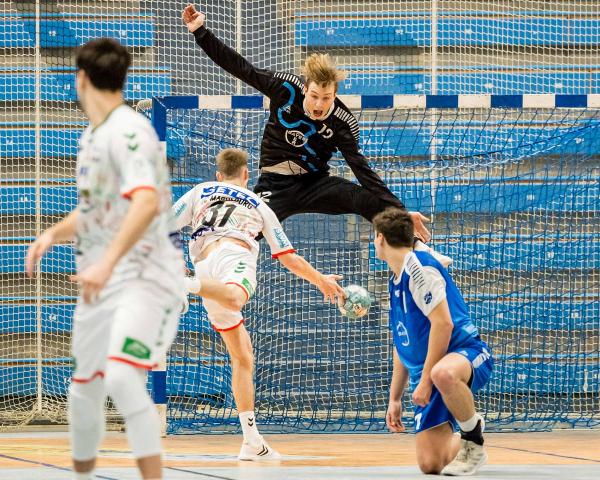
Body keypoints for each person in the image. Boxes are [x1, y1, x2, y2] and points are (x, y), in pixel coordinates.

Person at [181, 4, 454, 267]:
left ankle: (420, 250)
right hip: (274, 185)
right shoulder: (285, 88)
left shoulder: (343, 122)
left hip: (315, 184)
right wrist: (200, 31)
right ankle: (203, 264)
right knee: (247, 225)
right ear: (306, 89)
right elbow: (241, 68)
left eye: (326, 98)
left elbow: (363, 171)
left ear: (335, 94)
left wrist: (400, 210)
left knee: (368, 201)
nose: (319, 105)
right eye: (314, 96)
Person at [25, 38, 186, 480]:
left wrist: (105, 263)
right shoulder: (93, 135)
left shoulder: (129, 130)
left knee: (120, 377)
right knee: (83, 392)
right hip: (103, 281)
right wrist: (52, 235)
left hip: (145, 280)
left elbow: (146, 201)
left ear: (80, 79)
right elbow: (95, 210)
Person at [173, 147, 344, 461]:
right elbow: (287, 257)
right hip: (233, 257)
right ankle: (181, 286)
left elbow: (163, 225)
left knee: (242, 354)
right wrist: (321, 280)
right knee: (237, 296)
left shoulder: (200, 191)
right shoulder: (258, 202)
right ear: (246, 175)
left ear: (219, 175)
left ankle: (251, 440)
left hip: (205, 265)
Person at [372, 208, 493, 476]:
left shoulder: (420, 269)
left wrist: (426, 381)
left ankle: (473, 440)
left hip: (465, 354)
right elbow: (402, 342)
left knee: (443, 373)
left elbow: (444, 324)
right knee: (430, 465)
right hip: (426, 371)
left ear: (380, 238)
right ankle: (470, 428)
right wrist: (394, 398)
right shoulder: (395, 280)